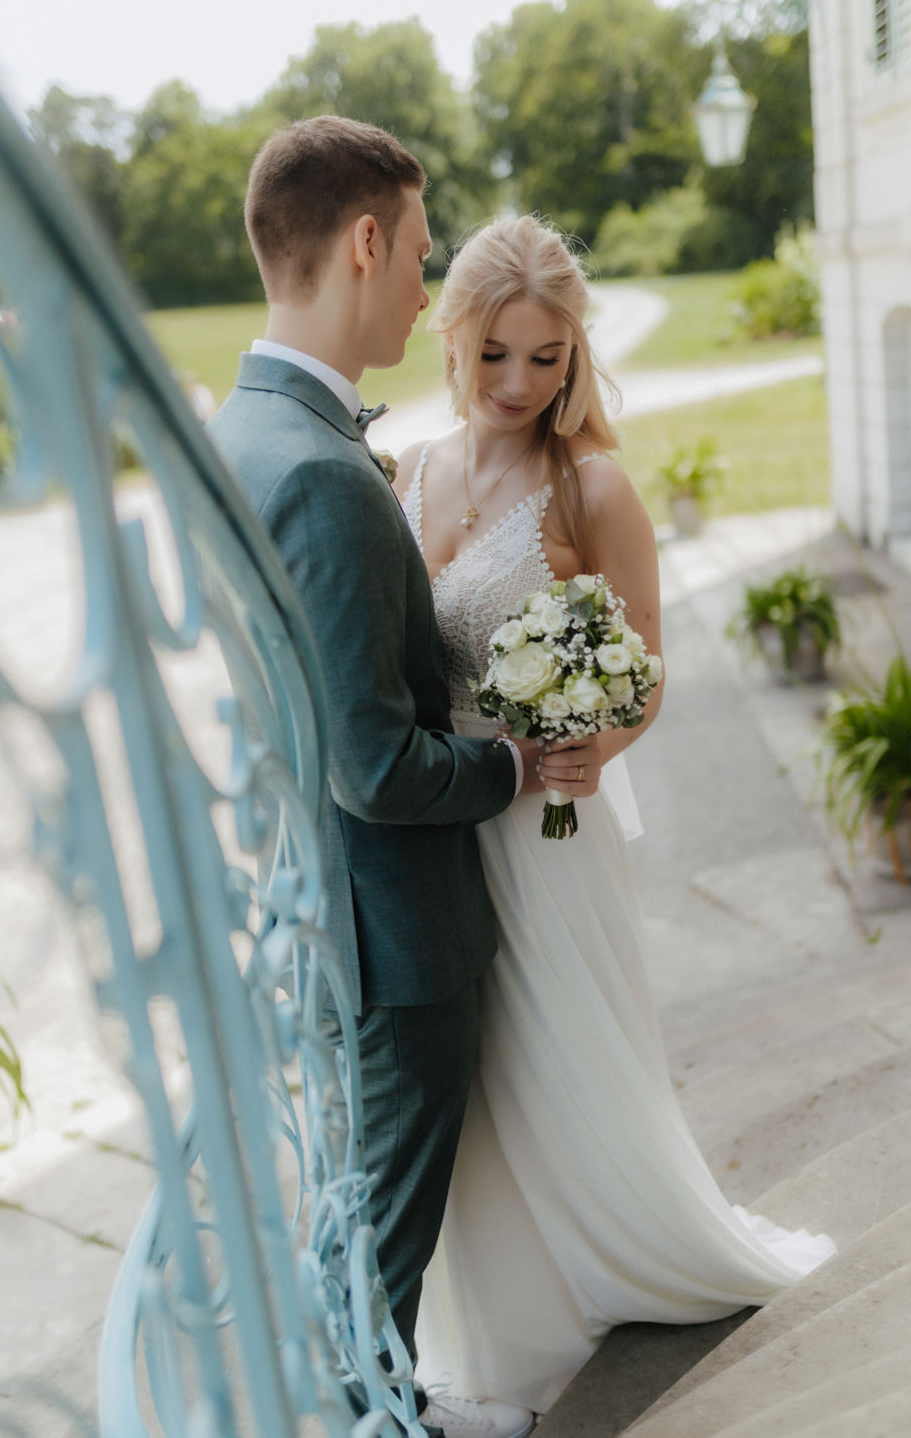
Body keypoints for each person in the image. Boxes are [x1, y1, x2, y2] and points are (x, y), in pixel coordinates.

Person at [393, 214, 836, 1427]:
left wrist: (600, 744)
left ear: (575, 357)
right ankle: (506, 1292)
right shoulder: (413, 471)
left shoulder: (588, 484)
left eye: (545, 359)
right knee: (475, 1074)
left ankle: (627, 1244)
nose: (518, 385)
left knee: (562, 1051)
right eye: (495, 355)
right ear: (453, 336)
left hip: (550, 827)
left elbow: (645, 670)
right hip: (445, 818)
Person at [209, 121, 593, 1438]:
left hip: (314, 910)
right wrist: (504, 762)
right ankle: (384, 1425)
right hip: (392, 934)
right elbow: (372, 763)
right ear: (364, 242)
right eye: (421, 253)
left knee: (349, 1213)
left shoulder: (242, 429)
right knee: (379, 1237)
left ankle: (391, 1405)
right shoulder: (323, 476)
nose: (427, 287)